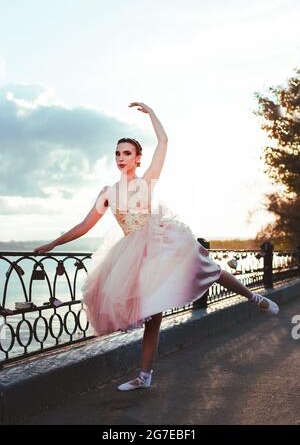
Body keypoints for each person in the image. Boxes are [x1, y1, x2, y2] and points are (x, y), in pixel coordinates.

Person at [34, 102, 279, 392]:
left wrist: (151, 114)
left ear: (138, 159)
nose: (121, 157)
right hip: (131, 256)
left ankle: (252, 297)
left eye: (127, 153)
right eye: (117, 153)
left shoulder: (146, 182)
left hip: (159, 243)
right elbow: (84, 226)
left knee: (208, 269)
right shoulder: (108, 193)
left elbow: (164, 141)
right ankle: (145, 376)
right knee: (152, 315)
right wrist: (53, 244)